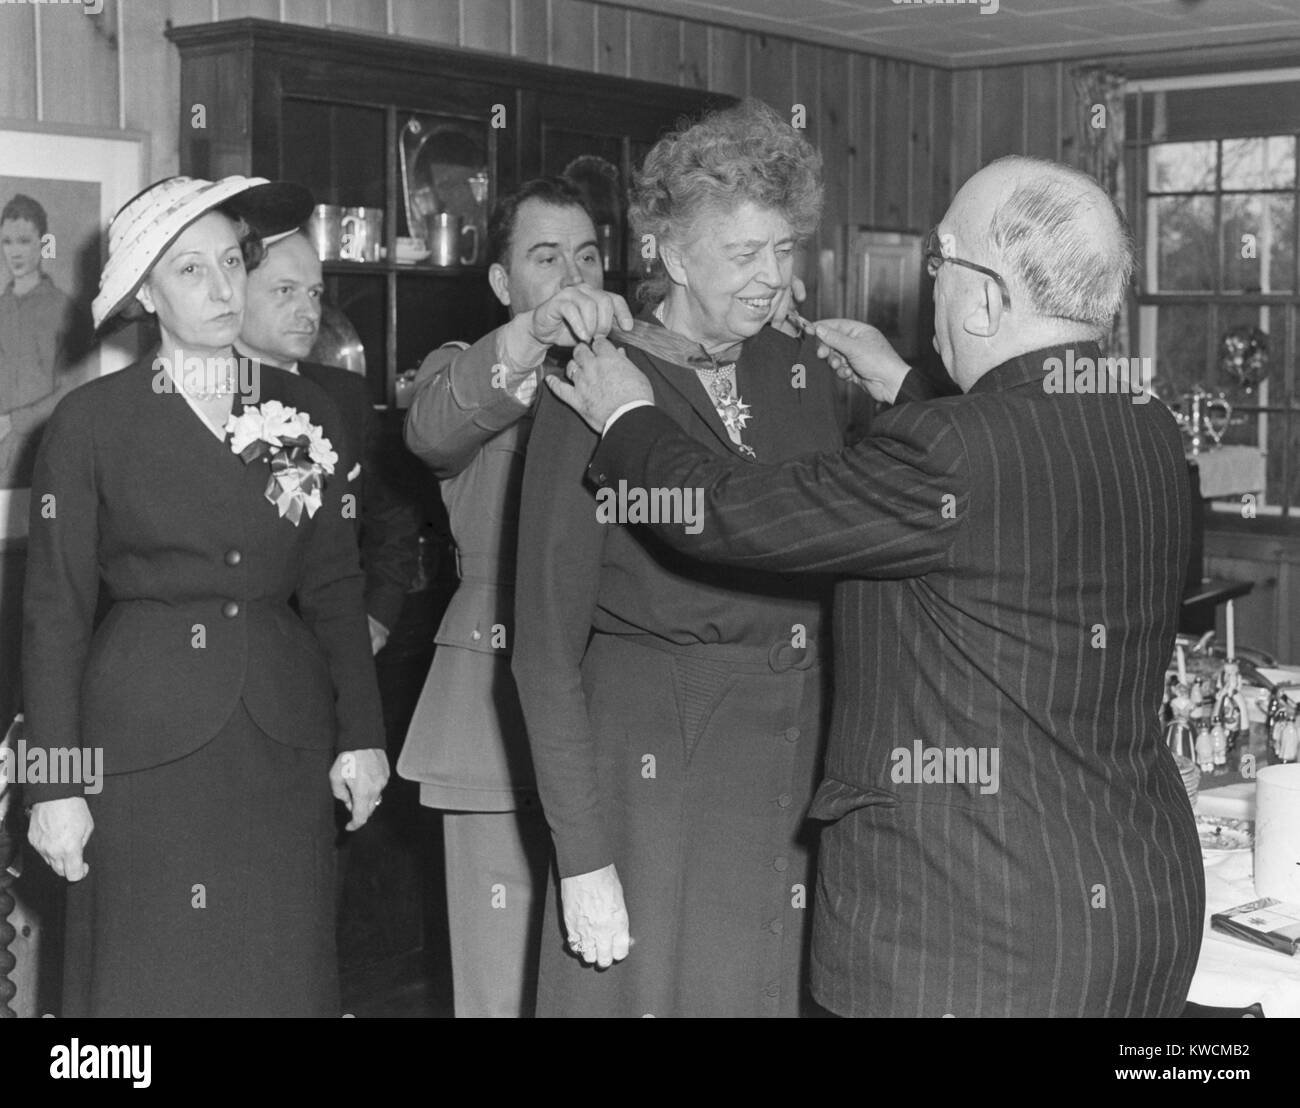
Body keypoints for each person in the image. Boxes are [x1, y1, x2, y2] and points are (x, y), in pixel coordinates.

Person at [549, 154, 1206, 1018]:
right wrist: (904, 384)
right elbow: (1018, 487)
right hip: (1137, 902)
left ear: (982, 297)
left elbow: (729, 513)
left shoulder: (952, 452)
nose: (930, 286)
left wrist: (627, 415)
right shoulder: (1144, 420)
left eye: (940, 261)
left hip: (976, 934)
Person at [511, 100, 868, 1017]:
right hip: (653, 770)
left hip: (789, 762)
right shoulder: (594, 379)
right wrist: (583, 854)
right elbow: (544, 650)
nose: (773, 279)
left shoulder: (802, 372)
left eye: (785, 250)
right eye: (745, 256)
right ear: (671, 255)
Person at [22, 175, 389, 1017]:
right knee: (147, 986)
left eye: (231, 262)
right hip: (140, 751)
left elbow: (335, 587)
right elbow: (55, 618)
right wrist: (55, 787)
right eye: (191, 270)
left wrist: (361, 736)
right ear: (146, 292)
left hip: (282, 746)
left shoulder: (306, 410)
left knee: (277, 978)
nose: (223, 288)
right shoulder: (89, 424)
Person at [399, 176, 631, 1017]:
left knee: (609, 972)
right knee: (501, 983)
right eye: (545, 259)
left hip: (617, 705)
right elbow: (431, 428)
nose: (573, 278)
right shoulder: (468, 373)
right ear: (503, 284)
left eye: (587, 256)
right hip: (494, 719)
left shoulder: (636, 381)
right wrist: (530, 339)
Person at [239, 227, 419, 654]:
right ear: (234, 294)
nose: (308, 312)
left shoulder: (345, 395)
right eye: (285, 291)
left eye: (315, 293)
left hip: (335, 651)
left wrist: (377, 616)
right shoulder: (202, 402)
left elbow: (392, 517)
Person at [0, 193, 89, 486]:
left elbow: (74, 388)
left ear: (44, 243)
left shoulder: (64, 308)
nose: (15, 252)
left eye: (24, 241)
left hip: (43, 452)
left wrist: (16, 422)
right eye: (7, 242)